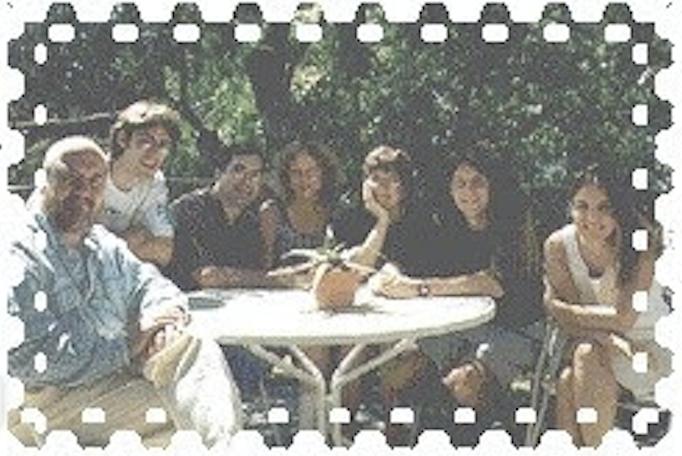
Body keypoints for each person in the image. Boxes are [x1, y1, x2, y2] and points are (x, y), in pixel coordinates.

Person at [7, 136, 241, 449]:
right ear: (46, 183)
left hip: (107, 384)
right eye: (71, 179)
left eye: (94, 181)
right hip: (41, 402)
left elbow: (156, 287)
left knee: (194, 359)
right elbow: (27, 359)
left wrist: (163, 325)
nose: (84, 191)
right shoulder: (19, 252)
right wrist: (128, 343)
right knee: (198, 409)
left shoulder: (104, 245)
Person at [370, 149, 544, 434]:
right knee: (396, 370)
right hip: (461, 327)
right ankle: (398, 440)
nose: (468, 191)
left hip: (516, 329)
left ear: (493, 186)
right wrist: (392, 275)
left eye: (477, 182)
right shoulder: (449, 224)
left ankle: (483, 434)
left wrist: (419, 289)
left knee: (463, 383)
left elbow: (489, 283)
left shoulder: (513, 224)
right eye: (460, 183)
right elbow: (407, 263)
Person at [543, 164, 670, 447]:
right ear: (570, 207)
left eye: (604, 207)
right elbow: (568, 323)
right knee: (579, 362)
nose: (592, 217)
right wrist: (609, 337)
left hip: (649, 344)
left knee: (569, 378)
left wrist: (561, 309)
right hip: (598, 345)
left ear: (619, 209)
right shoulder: (558, 246)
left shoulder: (639, 242)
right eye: (582, 206)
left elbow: (624, 318)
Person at [167, 141, 282, 291]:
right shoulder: (188, 210)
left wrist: (269, 244)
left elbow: (263, 269)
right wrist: (280, 279)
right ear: (219, 173)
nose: (247, 181)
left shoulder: (254, 218)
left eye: (255, 174)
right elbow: (205, 277)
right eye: (238, 171)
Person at [100, 100, 180, 267]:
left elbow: (165, 250)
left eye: (163, 144)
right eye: (145, 141)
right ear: (122, 139)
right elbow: (74, 247)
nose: (154, 152)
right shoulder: (92, 173)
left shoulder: (155, 184)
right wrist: (133, 240)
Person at [260, 141, 341, 268]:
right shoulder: (272, 212)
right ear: (286, 177)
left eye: (311, 171)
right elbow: (263, 268)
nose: (304, 179)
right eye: (296, 172)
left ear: (323, 173)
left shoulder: (336, 213)